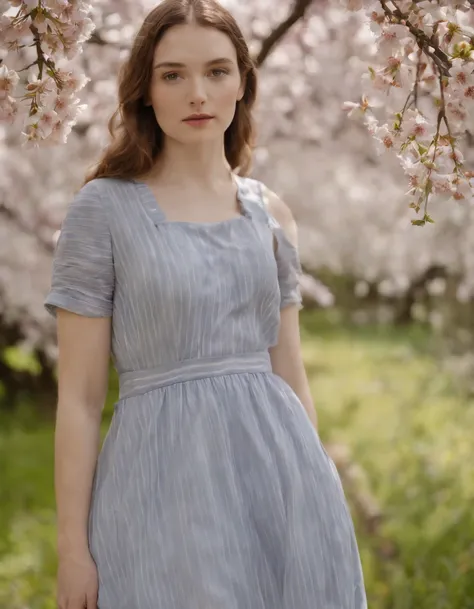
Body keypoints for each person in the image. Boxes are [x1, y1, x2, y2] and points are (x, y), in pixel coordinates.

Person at [44, 1, 367, 608]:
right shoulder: (102, 211)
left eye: (217, 71)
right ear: (145, 88)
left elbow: (291, 377)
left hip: (280, 481)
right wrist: (72, 549)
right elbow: (81, 401)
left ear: (242, 83)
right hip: (160, 484)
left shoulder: (271, 213)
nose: (198, 93)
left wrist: (313, 498)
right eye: (173, 75)